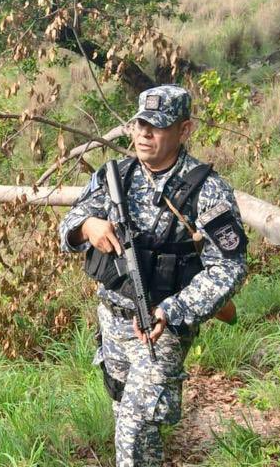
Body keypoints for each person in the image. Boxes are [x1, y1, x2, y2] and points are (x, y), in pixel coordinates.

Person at [59, 85, 248, 466]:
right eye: (140, 124)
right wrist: (87, 227)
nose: (144, 133)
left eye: (157, 126)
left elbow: (230, 266)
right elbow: (68, 227)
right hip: (112, 321)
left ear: (184, 129)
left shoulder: (207, 190)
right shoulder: (116, 175)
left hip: (162, 327)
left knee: (134, 431)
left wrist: (173, 311)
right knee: (126, 419)